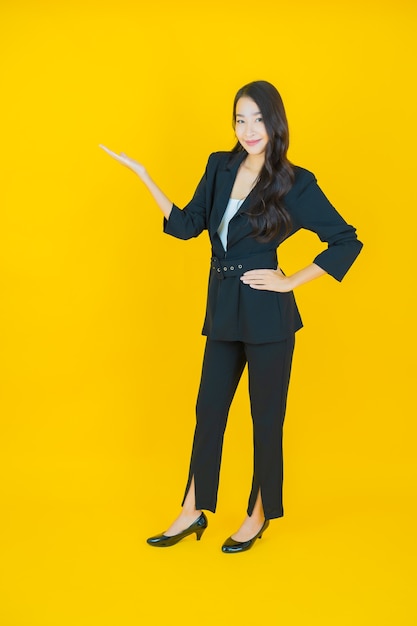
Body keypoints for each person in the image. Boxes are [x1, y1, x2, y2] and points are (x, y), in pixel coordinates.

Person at [99, 80, 363, 554]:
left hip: (267, 315)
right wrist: (143, 175)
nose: (248, 129)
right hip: (222, 309)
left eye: (258, 119)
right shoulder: (219, 166)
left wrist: (289, 281)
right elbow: (185, 226)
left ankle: (256, 516)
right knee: (208, 412)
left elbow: (346, 240)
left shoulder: (296, 182)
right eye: (240, 119)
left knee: (265, 418)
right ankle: (191, 509)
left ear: (275, 122)